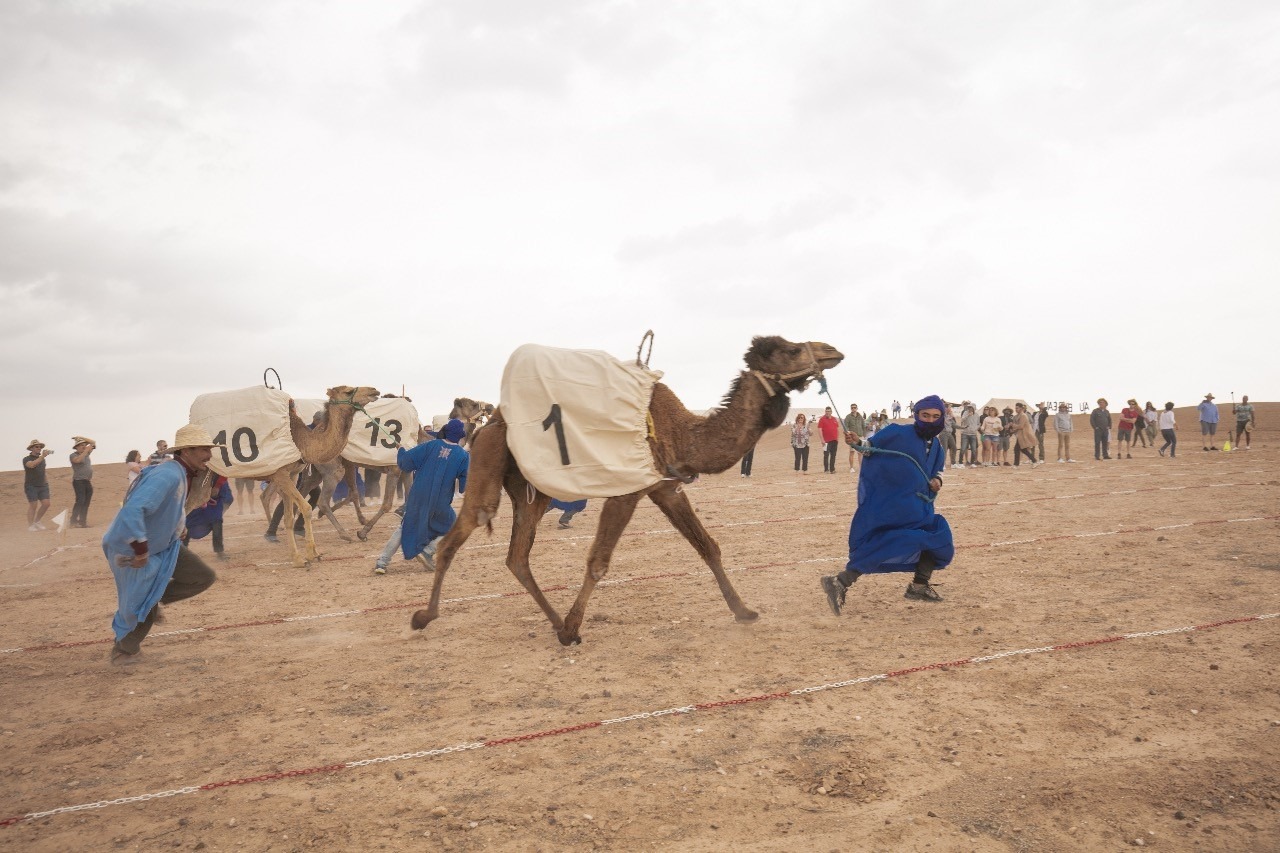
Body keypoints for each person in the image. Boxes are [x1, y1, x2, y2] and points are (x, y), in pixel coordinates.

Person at [821, 396, 953, 614]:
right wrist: (857, 441)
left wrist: (938, 481)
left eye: (935, 417)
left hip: (921, 507)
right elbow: (869, 447)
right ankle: (840, 581)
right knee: (892, 542)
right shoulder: (897, 432)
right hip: (893, 505)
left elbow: (939, 470)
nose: (930, 421)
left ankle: (919, 586)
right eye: (925, 415)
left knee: (939, 537)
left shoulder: (937, 445)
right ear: (917, 415)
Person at [103, 425, 222, 665]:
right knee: (140, 601)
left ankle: (153, 600)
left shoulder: (183, 473)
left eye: (209, 449)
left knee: (202, 576)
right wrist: (140, 549)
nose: (209, 455)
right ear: (186, 451)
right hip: (133, 546)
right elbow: (134, 509)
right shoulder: (167, 474)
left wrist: (178, 526)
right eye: (203, 449)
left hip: (163, 546)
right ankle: (124, 651)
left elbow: (168, 506)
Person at [395, 418, 469, 571]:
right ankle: (428, 551)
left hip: (418, 495)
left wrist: (401, 450)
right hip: (440, 500)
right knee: (453, 526)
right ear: (460, 435)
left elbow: (406, 462)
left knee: (409, 524)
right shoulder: (463, 455)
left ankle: (383, 560)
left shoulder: (430, 445)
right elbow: (465, 482)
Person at [182, 474, 233, 560]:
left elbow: (223, 472)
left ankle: (219, 551)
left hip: (213, 500)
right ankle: (182, 551)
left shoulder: (217, 468)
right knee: (187, 523)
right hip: (195, 497)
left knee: (217, 522)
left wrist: (217, 485)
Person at [23, 439, 54, 531]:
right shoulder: (26, 459)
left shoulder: (42, 460)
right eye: (37, 447)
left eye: (40, 447)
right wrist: (42, 457)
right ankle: (30, 525)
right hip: (31, 485)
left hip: (43, 485)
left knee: (46, 504)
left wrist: (46, 482)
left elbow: (42, 472)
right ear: (31, 448)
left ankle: (37, 521)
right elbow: (32, 465)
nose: (39, 448)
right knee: (33, 505)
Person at [69, 436, 96, 527]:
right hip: (78, 481)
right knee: (80, 500)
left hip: (87, 481)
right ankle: (73, 521)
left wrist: (81, 437)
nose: (83, 446)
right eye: (80, 445)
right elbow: (78, 460)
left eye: (84, 445)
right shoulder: (73, 455)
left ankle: (82, 522)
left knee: (86, 502)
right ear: (76, 447)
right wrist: (86, 450)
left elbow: (93, 442)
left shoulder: (86, 454)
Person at [817, 406, 841, 473]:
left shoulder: (834, 419)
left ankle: (832, 469)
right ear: (825, 412)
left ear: (831, 412)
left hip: (834, 440)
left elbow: (837, 429)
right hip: (826, 441)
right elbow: (819, 429)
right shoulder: (822, 419)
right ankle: (826, 469)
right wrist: (822, 440)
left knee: (833, 455)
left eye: (829, 411)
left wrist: (837, 438)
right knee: (826, 455)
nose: (828, 413)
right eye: (826, 411)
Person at [844, 404, 867, 473]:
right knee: (852, 452)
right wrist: (848, 433)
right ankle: (851, 467)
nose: (853, 409)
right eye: (852, 408)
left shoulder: (860, 417)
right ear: (851, 408)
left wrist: (864, 435)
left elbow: (863, 426)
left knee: (860, 453)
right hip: (852, 437)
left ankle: (861, 467)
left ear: (857, 408)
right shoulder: (848, 417)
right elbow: (846, 426)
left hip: (860, 436)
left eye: (854, 408)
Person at [958, 403, 980, 468]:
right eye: (969, 407)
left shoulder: (977, 415)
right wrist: (968, 415)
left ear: (974, 408)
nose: (970, 408)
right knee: (963, 448)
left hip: (973, 434)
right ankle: (960, 462)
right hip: (965, 433)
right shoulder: (965, 413)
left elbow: (978, 424)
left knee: (974, 449)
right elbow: (961, 420)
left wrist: (976, 428)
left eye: (971, 407)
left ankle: (972, 462)